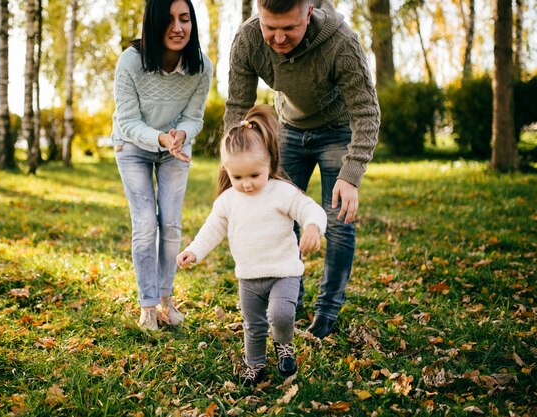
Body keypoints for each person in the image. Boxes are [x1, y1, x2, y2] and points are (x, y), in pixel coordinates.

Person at [224, 0, 380, 339]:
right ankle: (291, 294)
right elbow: (238, 105)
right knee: (281, 215)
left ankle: (327, 310)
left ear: (309, 13)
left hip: (337, 131)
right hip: (288, 129)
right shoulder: (248, 40)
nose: (278, 39)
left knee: (337, 221)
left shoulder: (341, 43)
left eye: (289, 29)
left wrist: (350, 174)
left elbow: (366, 111)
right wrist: (230, 166)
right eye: (270, 28)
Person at [177, 105, 327, 386]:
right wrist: (194, 250)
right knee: (254, 326)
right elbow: (213, 228)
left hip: (284, 272)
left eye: (254, 175)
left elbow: (310, 209)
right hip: (248, 277)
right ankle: (254, 364)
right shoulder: (228, 200)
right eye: (237, 177)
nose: (245, 184)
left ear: (270, 163)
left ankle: (284, 344)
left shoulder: (281, 191)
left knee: (281, 314)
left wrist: (312, 227)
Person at [112, 0, 212, 331]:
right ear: (153, 24)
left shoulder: (201, 67)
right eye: (169, 20)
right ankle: (147, 306)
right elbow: (127, 120)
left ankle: (167, 300)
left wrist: (180, 134)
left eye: (185, 19)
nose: (178, 27)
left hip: (175, 150)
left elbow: (194, 117)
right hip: (132, 146)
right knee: (145, 225)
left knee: (170, 225)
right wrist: (160, 138)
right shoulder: (131, 62)